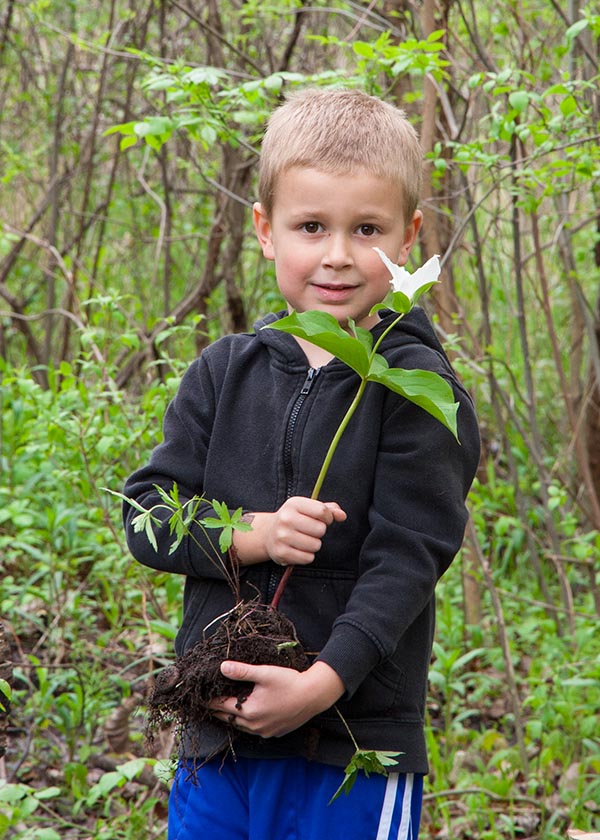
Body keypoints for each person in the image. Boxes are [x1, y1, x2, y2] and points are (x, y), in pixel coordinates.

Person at [123, 88, 480, 840]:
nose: (339, 254)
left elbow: (409, 557)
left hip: (350, 745)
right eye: (311, 226)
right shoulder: (224, 372)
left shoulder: (415, 385)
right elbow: (146, 514)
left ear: (408, 237)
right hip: (217, 739)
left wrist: (322, 684)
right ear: (264, 230)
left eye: (368, 229)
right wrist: (249, 536)